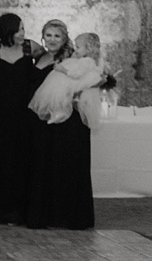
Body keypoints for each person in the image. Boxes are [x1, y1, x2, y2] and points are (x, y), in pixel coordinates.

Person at [25, 20, 100, 230]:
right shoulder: (40, 56)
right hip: (40, 118)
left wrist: (76, 98)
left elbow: (94, 79)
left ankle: (67, 215)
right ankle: (44, 213)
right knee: (43, 165)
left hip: (66, 121)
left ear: (65, 38)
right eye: (48, 35)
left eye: (57, 36)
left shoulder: (71, 58)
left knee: (64, 164)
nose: (52, 40)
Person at [0, 13, 37, 225]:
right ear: (8, 31)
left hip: (22, 110)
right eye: (19, 29)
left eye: (23, 28)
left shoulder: (30, 48)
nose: (23, 33)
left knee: (20, 156)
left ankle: (18, 209)